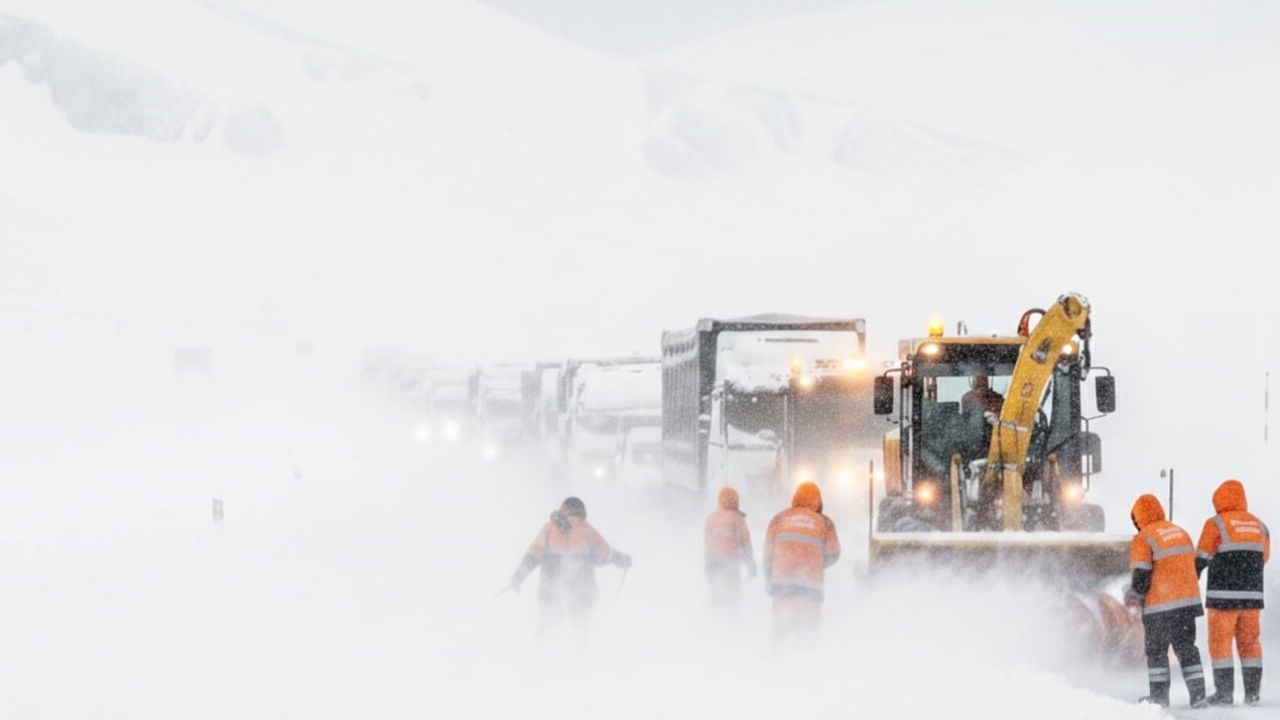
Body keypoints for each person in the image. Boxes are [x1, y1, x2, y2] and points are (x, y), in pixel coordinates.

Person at [509, 496, 631, 641]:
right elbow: (604, 554)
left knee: (547, 629)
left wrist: (518, 577)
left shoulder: (549, 529)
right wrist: (622, 559)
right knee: (581, 630)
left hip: (551, 590)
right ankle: (579, 651)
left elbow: (532, 556)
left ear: (563, 509)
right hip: (582, 590)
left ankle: (539, 650)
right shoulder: (586, 529)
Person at [1127, 493, 1208, 708]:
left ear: (1139, 517)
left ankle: (1159, 698)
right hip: (1187, 605)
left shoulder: (1144, 537)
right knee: (1187, 649)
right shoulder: (1181, 533)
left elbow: (1142, 573)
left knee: (1157, 653)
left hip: (1160, 607)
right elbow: (1192, 567)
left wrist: (1134, 595)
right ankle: (1199, 696)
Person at [1196, 479, 1271, 706]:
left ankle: (1224, 694)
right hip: (1252, 599)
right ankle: (1252, 693)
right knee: (1250, 644)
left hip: (1223, 599)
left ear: (1219, 500)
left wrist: (1190, 579)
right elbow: (1264, 557)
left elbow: (1201, 558)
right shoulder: (1260, 526)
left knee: (1221, 644)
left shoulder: (1216, 524)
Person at [763, 482, 840, 650]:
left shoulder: (779, 518)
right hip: (811, 587)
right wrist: (816, 563)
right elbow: (835, 553)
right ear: (818, 500)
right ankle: (805, 662)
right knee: (807, 633)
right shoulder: (825, 523)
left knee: (780, 629)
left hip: (782, 585)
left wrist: (769, 579)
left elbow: (768, 554)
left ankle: (777, 660)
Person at [704, 487, 757, 611]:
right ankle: (731, 618)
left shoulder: (710, 519)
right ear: (736, 500)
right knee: (732, 596)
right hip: (730, 565)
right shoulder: (737, 518)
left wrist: (707, 565)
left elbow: (707, 543)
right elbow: (745, 544)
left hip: (713, 565)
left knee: (717, 596)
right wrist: (751, 564)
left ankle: (716, 618)